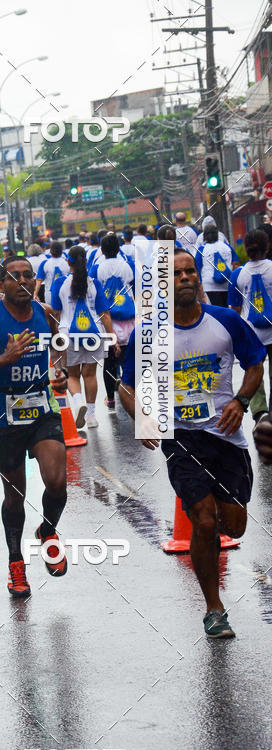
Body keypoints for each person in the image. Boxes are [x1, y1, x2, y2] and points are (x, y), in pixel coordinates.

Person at [120, 249, 265, 638]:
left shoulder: (225, 320)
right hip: (182, 437)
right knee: (202, 519)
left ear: (198, 278)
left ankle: (212, 531)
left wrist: (241, 401)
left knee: (233, 525)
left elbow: (255, 363)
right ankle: (214, 608)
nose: (184, 277)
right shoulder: (147, 334)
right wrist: (143, 418)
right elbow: (126, 385)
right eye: (176, 273)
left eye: (189, 272)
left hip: (225, 434)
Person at [0, 255, 69, 598]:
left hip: (43, 410)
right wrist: (4, 359)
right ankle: (15, 562)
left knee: (57, 482)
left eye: (27, 275)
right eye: (14, 276)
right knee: (14, 495)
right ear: (0, 284)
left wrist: (59, 370)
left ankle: (47, 530)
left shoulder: (46, 313)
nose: (22, 281)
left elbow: (57, 347)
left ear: (35, 280)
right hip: (6, 414)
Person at [51, 245, 117, 429]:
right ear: (86, 261)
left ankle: (78, 401)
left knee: (72, 375)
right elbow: (105, 314)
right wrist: (112, 338)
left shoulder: (60, 283)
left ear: (68, 262)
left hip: (68, 334)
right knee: (90, 375)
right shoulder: (94, 283)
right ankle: (91, 416)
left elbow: (55, 313)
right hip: (94, 334)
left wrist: (54, 338)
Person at [228, 229, 272, 424]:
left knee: (255, 371)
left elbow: (235, 309)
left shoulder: (238, 274)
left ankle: (259, 412)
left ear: (246, 249)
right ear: (267, 246)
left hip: (251, 333)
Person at [93, 234, 134, 411]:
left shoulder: (97, 268)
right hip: (128, 320)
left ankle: (110, 398)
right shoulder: (127, 265)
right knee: (128, 361)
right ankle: (131, 392)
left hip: (107, 320)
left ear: (102, 250)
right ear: (118, 248)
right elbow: (134, 286)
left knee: (109, 362)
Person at [195, 223, 237, 307]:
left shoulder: (202, 249)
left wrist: (199, 286)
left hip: (209, 285)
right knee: (226, 308)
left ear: (204, 236)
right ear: (217, 234)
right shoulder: (227, 247)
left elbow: (197, 268)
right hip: (226, 283)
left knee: (216, 308)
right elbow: (236, 263)